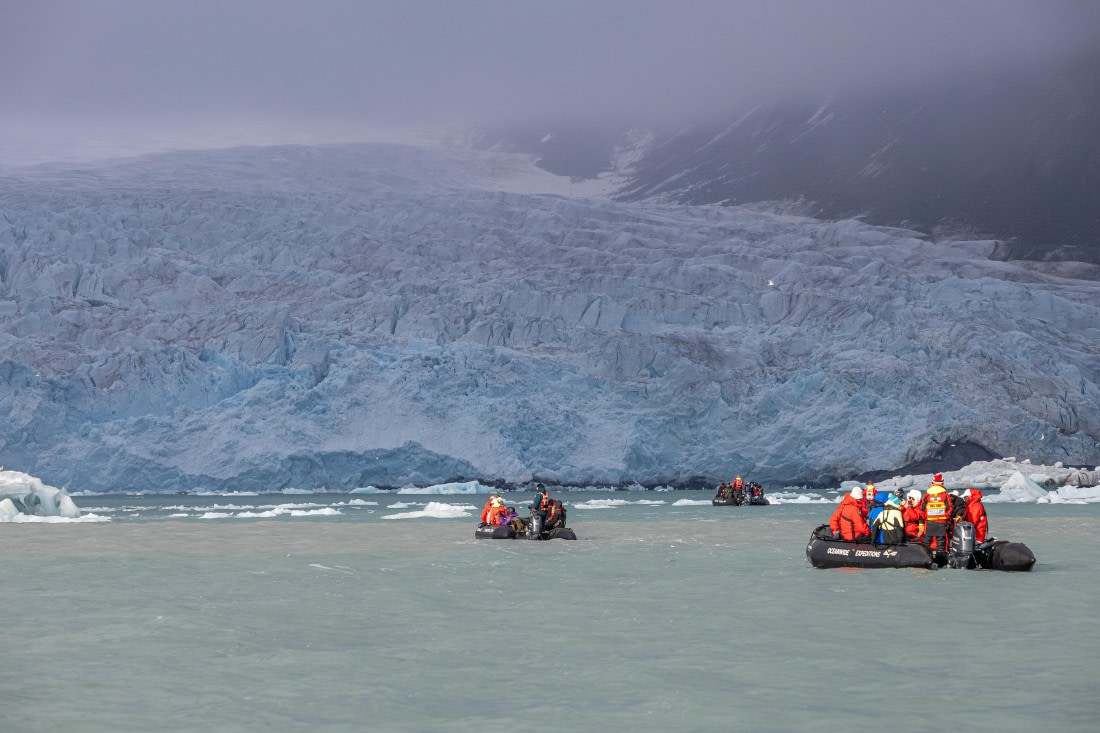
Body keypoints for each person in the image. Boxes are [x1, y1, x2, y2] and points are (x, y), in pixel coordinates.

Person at [922, 475, 950, 550]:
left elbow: (922, 509)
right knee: (941, 543)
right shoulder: (945, 495)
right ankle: (942, 559)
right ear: (942, 483)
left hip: (930, 522)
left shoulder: (927, 495)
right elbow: (950, 508)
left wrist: (925, 517)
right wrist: (945, 516)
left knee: (926, 543)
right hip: (941, 522)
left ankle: (925, 558)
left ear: (932, 482)